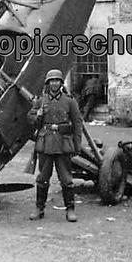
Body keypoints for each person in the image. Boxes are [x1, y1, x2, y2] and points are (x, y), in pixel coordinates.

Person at [28, 69, 83, 222]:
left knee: (66, 179)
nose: (54, 83)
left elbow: (77, 124)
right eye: (51, 81)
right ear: (48, 83)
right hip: (45, 144)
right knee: (42, 178)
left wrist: (76, 145)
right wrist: (37, 115)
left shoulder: (69, 101)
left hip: (63, 144)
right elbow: (30, 120)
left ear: (61, 83)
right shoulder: (41, 101)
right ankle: (39, 208)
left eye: (57, 81)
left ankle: (70, 209)